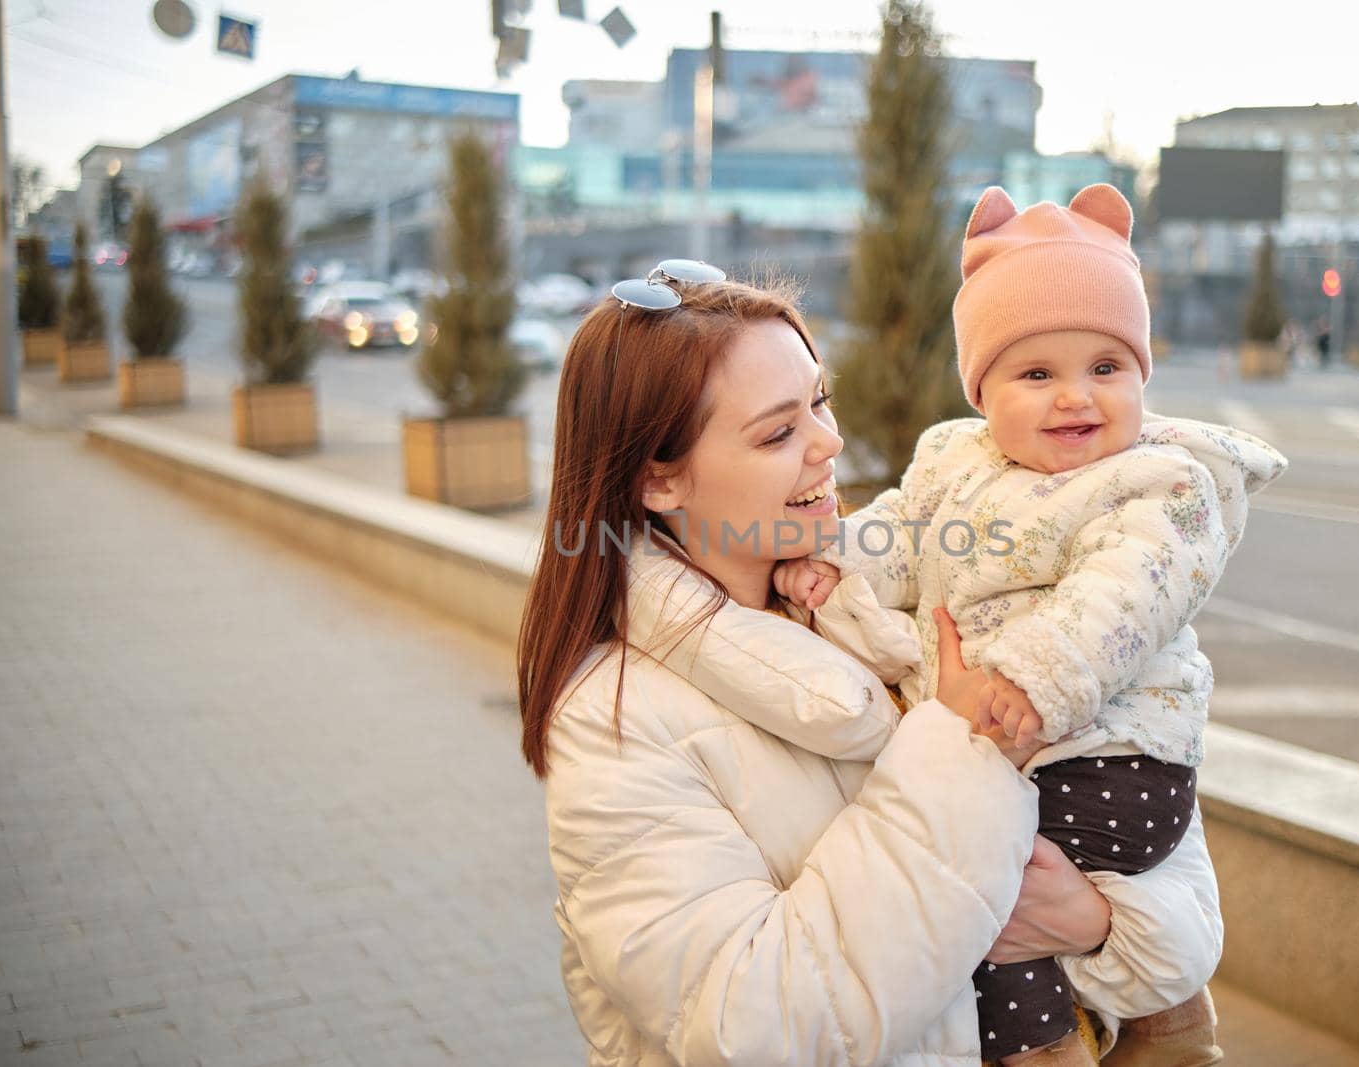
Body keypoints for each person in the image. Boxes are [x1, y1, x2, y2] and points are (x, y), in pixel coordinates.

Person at [518, 261, 1225, 1066]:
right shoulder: (614, 722)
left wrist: (1100, 926)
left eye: (820, 400)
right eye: (779, 431)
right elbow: (752, 1027)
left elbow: (1171, 851)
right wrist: (964, 757)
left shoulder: (890, 592)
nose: (831, 443)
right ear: (659, 476)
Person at [775, 186, 1285, 1066]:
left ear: (1140, 374)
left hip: (1107, 762)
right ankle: (1085, 1040)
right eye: (1037, 373)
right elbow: (903, 530)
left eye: (1105, 367)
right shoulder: (954, 461)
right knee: (993, 925)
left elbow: (1126, 595)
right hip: (1023, 756)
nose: (1074, 397)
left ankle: (1071, 1044)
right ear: (983, 391)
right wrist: (844, 561)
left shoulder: (1158, 486)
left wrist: (1031, 677)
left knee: (973, 901)